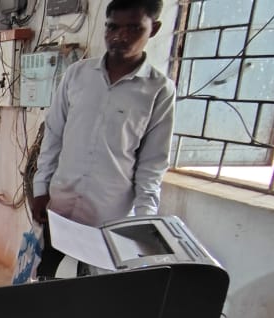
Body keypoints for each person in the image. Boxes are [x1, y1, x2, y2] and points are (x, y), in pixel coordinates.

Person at [31, 0, 175, 278]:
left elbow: (152, 163)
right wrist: (40, 188)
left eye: (133, 28)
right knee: (48, 278)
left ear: (153, 28)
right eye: (112, 27)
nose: (120, 36)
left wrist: (145, 220)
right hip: (60, 206)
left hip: (108, 216)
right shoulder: (77, 75)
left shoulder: (159, 90)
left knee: (94, 292)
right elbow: (53, 135)